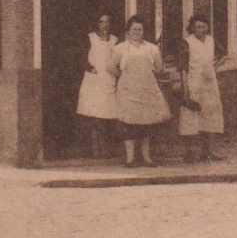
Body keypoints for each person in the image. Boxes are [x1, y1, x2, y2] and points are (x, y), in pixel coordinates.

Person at [110, 14, 169, 168]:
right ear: (128, 32)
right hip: (128, 91)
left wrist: (151, 74)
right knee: (129, 126)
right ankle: (130, 159)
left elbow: (159, 68)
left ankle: (147, 158)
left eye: (140, 30)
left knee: (147, 125)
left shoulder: (152, 48)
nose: (137, 33)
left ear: (144, 31)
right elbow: (110, 67)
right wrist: (122, 76)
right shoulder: (120, 48)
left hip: (147, 90)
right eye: (133, 30)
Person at [178, 13, 225, 163]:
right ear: (192, 28)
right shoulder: (187, 43)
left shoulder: (211, 41)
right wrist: (185, 89)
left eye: (203, 26)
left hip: (210, 84)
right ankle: (191, 152)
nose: (201, 29)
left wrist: (214, 67)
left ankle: (208, 151)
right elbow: (183, 68)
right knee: (191, 118)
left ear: (207, 27)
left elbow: (224, 54)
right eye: (197, 27)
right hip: (193, 83)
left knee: (210, 115)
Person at [75, 14, 119, 157]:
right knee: (93, 115)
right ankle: (95, 148)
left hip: (108, 80)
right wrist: (89, 68)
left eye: (107, 21)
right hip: (93, 81)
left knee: (106, 114)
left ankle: (105, 148)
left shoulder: (115, 40)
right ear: (97, 24)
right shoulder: (90, 38)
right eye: (101, 22)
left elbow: (118, 59)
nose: (105, 25)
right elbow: (81, 57)